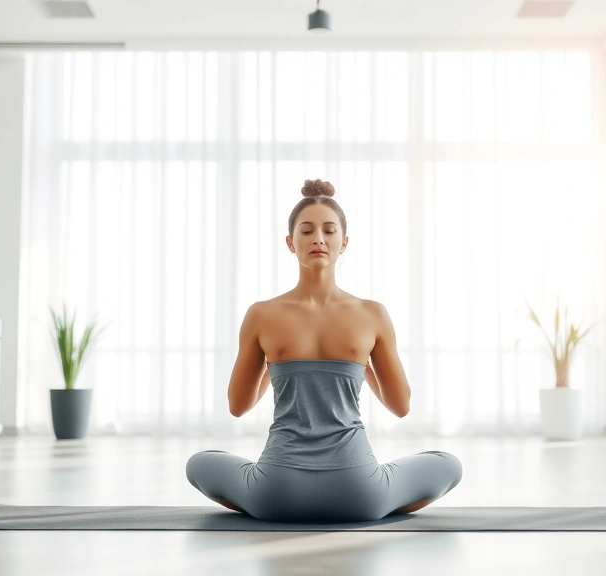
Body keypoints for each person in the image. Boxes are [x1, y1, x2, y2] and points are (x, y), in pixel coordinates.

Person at [185, 179, 462, 523]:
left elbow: (238, 406)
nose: (318, 238)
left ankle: (268, 506)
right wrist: (360, 365)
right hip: (359, 492)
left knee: (199, 463)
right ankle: (380, 504)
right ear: (291, 242)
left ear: (343, 242)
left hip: (276, 492)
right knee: (447, 464)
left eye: (328, 230)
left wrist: (276, 365)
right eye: (307, 230)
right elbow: (400, 406)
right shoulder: (372, 314)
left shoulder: (261, 314)